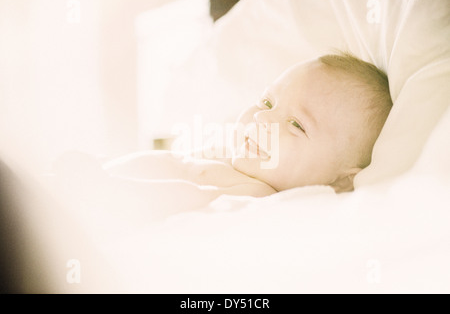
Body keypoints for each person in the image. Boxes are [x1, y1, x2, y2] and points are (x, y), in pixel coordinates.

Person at [51, 52, 392, 218]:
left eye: (297, 125)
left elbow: (185, 196)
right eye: (267, 101)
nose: (261, 118)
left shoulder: (259, 195)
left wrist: (107, 189)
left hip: (97, 199)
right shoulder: (231, 159)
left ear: (342, 181)